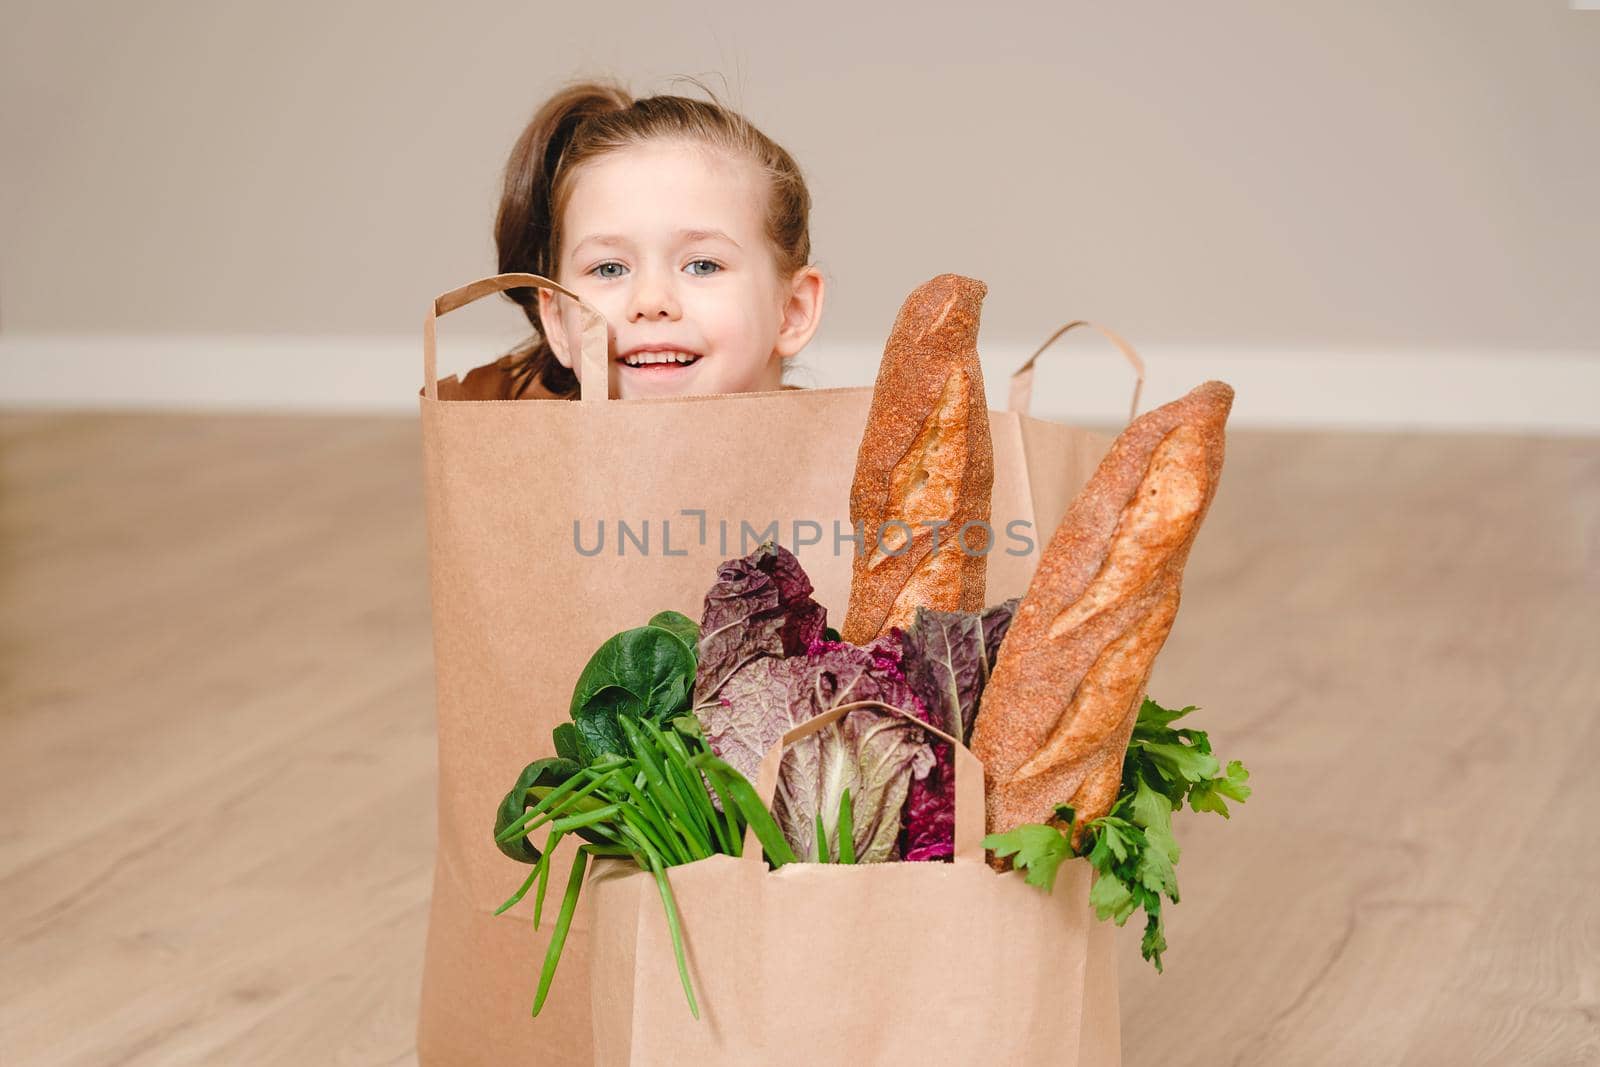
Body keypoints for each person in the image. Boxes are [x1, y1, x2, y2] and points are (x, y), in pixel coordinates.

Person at [446, 78, 825, 401]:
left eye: (702, 265)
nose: (650, 301)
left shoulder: (841, 477)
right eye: (609, 268)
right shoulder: (513, 471)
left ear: (792, 310)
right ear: (558, 322)